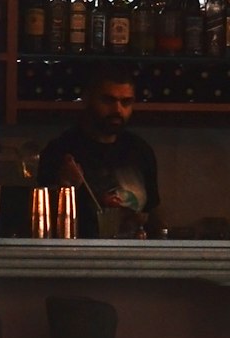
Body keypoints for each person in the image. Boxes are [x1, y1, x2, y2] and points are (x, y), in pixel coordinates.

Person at [37, 59, 161, 237]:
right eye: (108, 100)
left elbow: (151, 211)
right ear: (87, 99)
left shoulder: (141, 151)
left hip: (131, 257)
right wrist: (64, 187)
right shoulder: (61, 150)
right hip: (78, 256)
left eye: (126, 102)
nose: (117, 110)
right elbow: (41, 219)